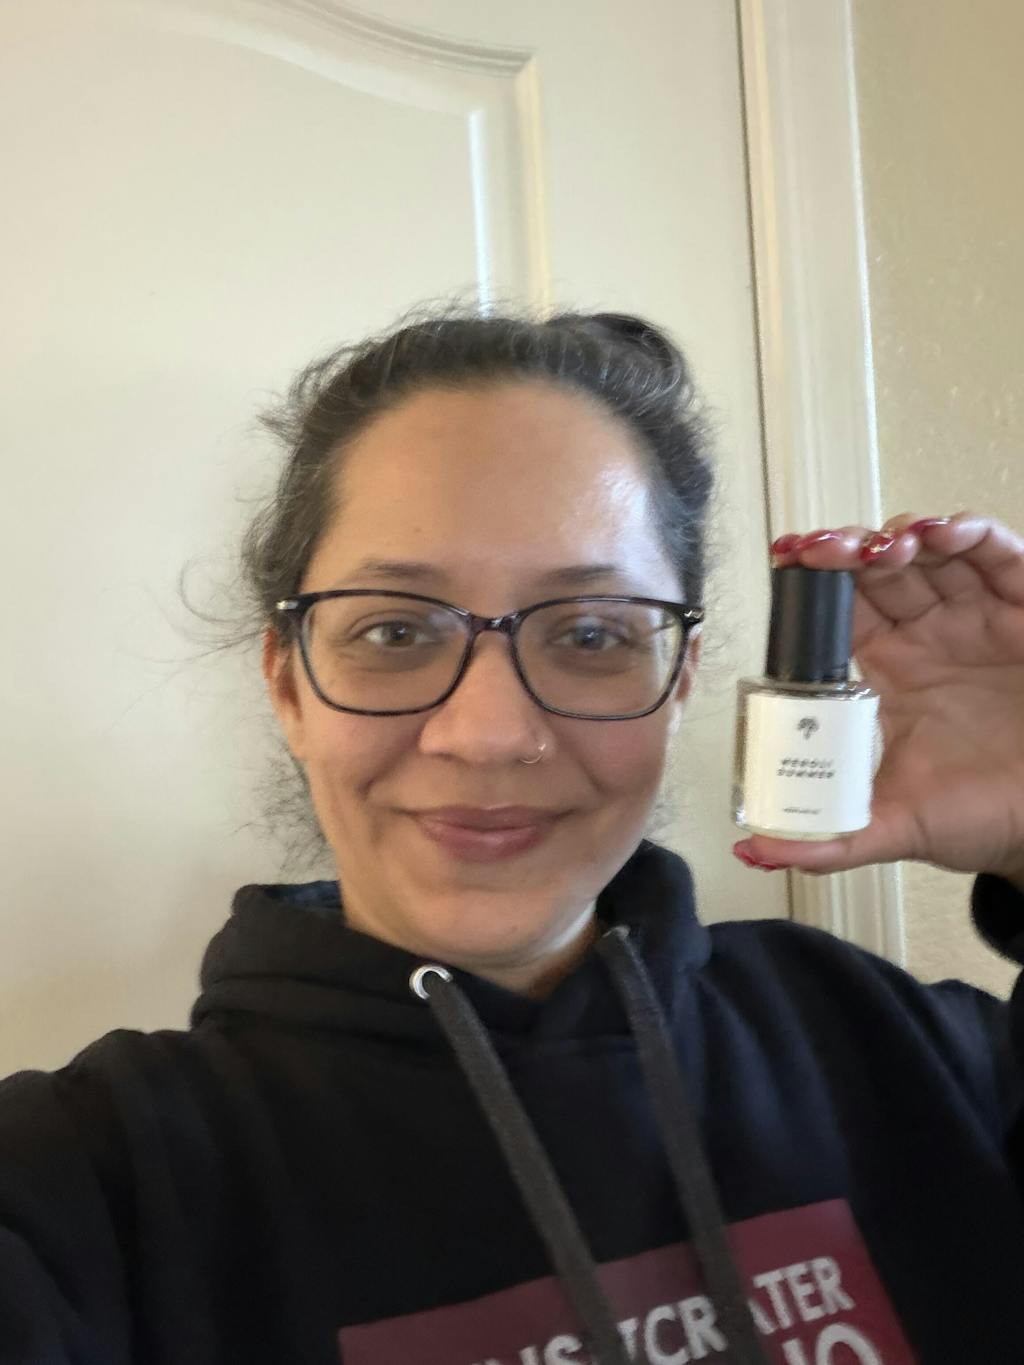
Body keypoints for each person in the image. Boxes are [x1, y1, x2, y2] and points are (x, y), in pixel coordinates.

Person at [1, 307, 1022, 1365]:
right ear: (288, 684)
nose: (488, 734)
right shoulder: (89, 1186)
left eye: (591, 633)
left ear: (678, 681)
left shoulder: (878, 1043)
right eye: (395, 629)